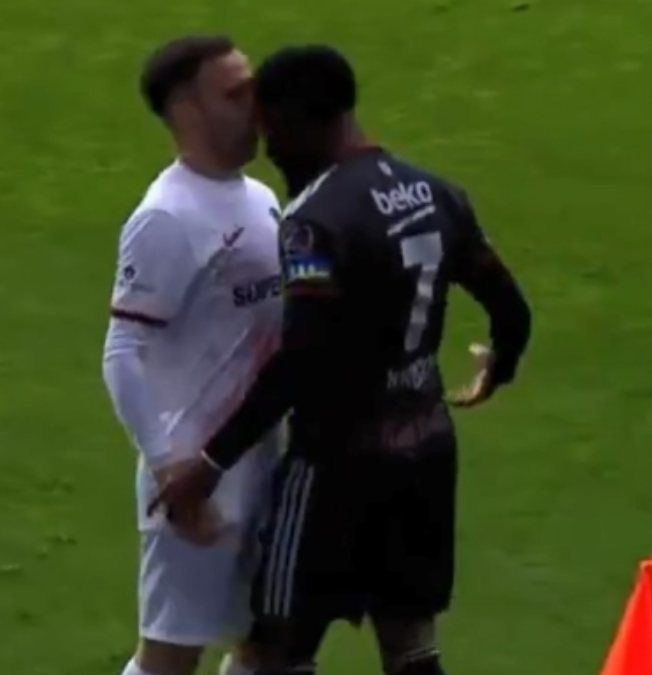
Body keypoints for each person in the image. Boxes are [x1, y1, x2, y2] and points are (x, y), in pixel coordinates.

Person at [150, 44, 532, 675]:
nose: (268, 149)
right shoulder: (436, 193)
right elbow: (511, 308)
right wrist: (500, 363)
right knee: (410, 644)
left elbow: (301, 359)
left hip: (335, 469)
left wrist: (211, 462)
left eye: (271, 131)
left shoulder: (315, 221)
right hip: (426, 456)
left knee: (275, 649)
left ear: (298, 123)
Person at [102, 35, 283, 675]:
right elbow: (122, 351)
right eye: (235, 94)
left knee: (270, 645)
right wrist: (167, 467)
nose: (256, 106)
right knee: (170, 658)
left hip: (262, 461)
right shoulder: (167, 216)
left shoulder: (261, 198)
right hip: (196, 478)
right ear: (187, 109)